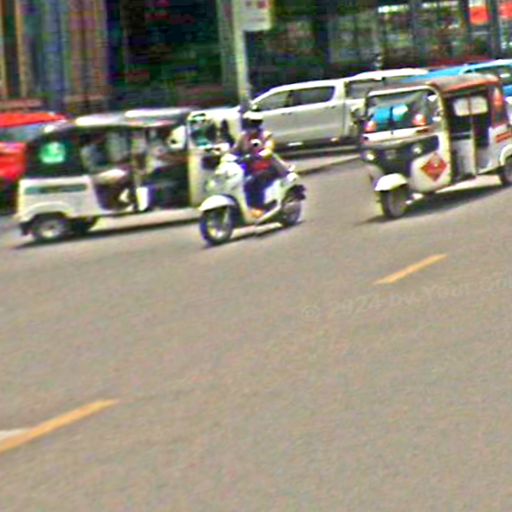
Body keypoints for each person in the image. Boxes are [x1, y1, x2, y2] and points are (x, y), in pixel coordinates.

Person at [231, 110, 290, 215]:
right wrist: (228, 156)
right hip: (250, 168)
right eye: (249, 123)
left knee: (253, 181)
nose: (251, 126)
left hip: (268, 167)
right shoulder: (243, 137)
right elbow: (234, 150)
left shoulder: (266, 135)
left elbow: (268, 149)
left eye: (253, 123)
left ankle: (259, 207)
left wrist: (258, 155)